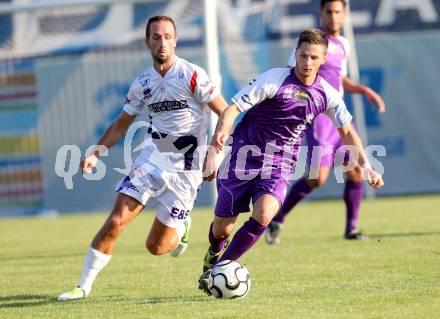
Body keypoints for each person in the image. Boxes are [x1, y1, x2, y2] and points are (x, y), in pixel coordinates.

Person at [198, 28, 384, 295]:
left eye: (313, 58)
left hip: (279, 165)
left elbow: (346, 131)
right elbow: (233, 109)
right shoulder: (274, 79)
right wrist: (219, 139)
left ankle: (223, 267)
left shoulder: (328, 94)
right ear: (295, 54)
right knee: (222, 228)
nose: (307, 63)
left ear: (323, 60)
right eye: (303, 55)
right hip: (243, 158)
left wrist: (366, 166)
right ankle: (214, 252)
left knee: (264, 213)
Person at [58, 15, 228, 301]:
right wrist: (96, 152)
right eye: (157, 37)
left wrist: (214, 152)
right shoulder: (142, 83)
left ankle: (183, 227)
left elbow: (224, 111)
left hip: (186, 168)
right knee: (116, 220)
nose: (163, 43)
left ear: (176, 40)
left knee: (156, 247)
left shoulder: (192, 75)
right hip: (152, 158)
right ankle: (83, 286)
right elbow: (122, 124)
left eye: (168, 37)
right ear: (147, 41)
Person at [265, 0, 386, 244]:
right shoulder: (311, 45)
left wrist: (364, 90)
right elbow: (296, 74)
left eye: (337, 12)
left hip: (338, 116)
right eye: (328, 12)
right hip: (318, 116)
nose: (333, 16)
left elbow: (338, 78)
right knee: (318, 178)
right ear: (321, 13)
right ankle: (278, 218)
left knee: (354, 172)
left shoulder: (343, 44)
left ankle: (351, 229)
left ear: (344, 14)